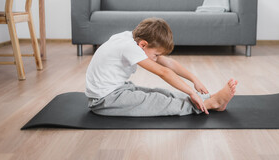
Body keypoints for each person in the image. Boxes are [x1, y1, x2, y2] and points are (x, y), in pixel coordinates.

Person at [85, 17, 237, 117]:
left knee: (160, 92)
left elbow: (168, 63)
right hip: (104, 100)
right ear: (143, 44)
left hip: (118, 89)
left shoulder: (130, 37)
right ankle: (210, 103)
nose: (157, 58)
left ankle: (210, 100)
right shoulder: (128, 47)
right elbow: (164, 72)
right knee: (157, 101)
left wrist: (194, 79)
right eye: (156, 54)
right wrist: (191, 92)